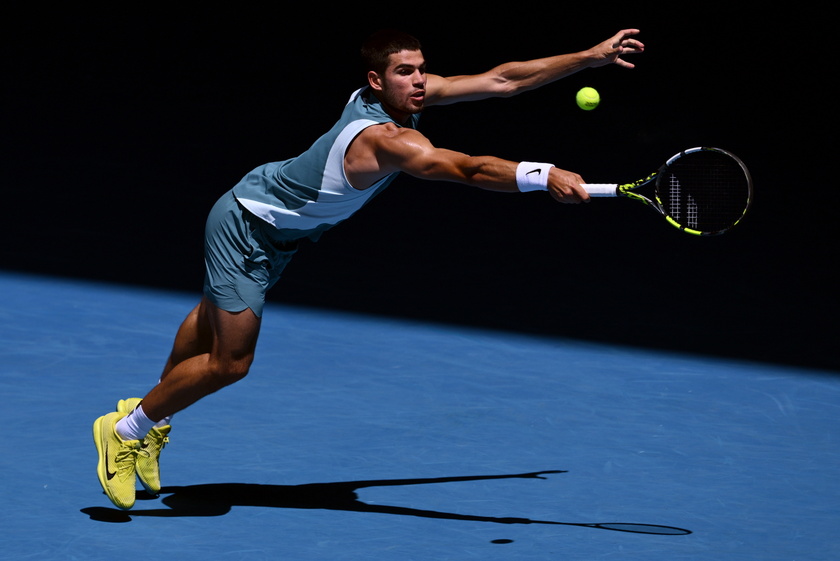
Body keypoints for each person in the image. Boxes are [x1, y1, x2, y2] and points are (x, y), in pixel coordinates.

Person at [93, 28, 644, 510]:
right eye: (406, 72)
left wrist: (588, 57)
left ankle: (153, 418)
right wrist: (540, 173)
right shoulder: (383, 138)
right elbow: (465, 168)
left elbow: (503, 80)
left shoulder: (403, 103)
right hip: (247, 227)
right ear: (376, 82)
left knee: (214, 317)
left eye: (423, 70)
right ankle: (125, 428)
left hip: (280, 230)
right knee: (230, 362)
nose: (421, 81)